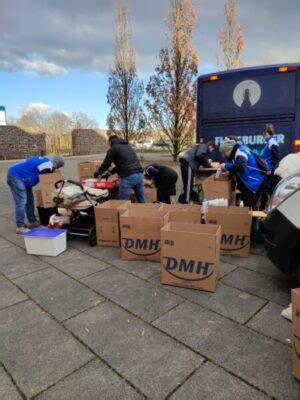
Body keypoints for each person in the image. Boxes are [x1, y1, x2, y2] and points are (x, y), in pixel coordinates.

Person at [7, 155, 64, 233]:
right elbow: (46, 182)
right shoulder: (48, 165)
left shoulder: (45, 161)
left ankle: (32, 221)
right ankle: (20, 226)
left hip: (23, 178)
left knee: (30, 200)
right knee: (21, 201)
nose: (57, 169)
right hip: (16, 176)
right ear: (56, 163)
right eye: (58, 166)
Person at [94, 135, 146, 203]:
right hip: (139, 175)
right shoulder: (127, 146)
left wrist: (98, 172)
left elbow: (106, 164)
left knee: (123, 203)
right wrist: (108, 174)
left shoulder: (113, 149)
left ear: (110, 142)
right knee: (142, 200)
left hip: (128, 177)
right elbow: (120, 165)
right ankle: (145, 212)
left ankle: (124, 213)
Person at [219, 139, 265, 209]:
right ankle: (250, 219)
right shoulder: (237, 152)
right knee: (248, 207)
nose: (224, 155)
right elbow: (237, 166)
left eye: (224, 153)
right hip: (251, 183)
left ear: (229, 150)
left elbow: (241, 167)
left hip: (254, 183)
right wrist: (230, 171)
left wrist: (226, 165)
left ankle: (252, 220)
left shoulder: (240, 152)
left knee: (249, 208)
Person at [260, 124, 282, 209]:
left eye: (263, 134)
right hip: (268, 171)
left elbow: (276, 158)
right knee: (268, 192)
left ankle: (263, 210)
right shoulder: (270, 142)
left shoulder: (272, 142)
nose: (263, 136)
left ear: (265, 133)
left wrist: (272, 171)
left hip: (269, 172)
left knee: (266, 192)